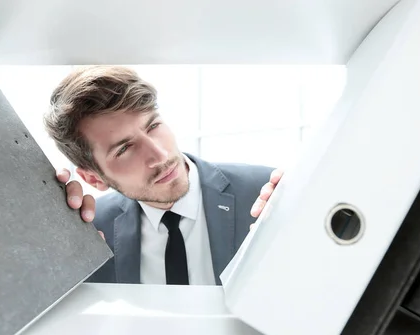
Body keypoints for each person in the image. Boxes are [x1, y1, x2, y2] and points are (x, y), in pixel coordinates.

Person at [44, 65, 283, 285]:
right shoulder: (90, 234)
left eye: (153, 126)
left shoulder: (269, 194)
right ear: (94, 179)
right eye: (125, 148)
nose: (159, 155)